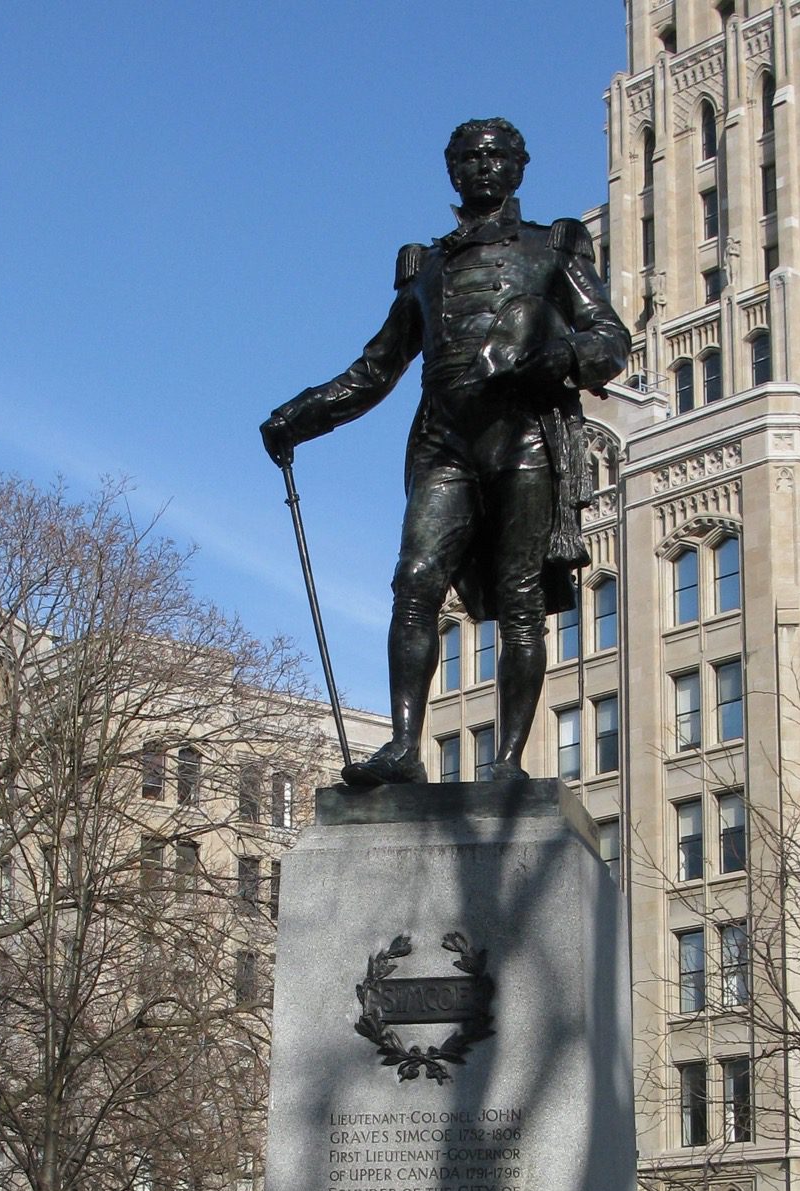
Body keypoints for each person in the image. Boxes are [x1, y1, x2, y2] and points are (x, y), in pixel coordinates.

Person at [260, 118, 631, 787]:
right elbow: (374, 370)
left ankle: (508, 762)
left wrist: (554, 355)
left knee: (520, 600)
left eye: (495, 157)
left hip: (522, 436)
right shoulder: (427, 268)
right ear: (451, 170)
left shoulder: (555, 248)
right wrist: (298, 416)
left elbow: (608, 338)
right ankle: (404, 747)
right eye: (467, 158)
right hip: (446, 441)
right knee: (415, 581)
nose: (481, 168)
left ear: (518, 167)